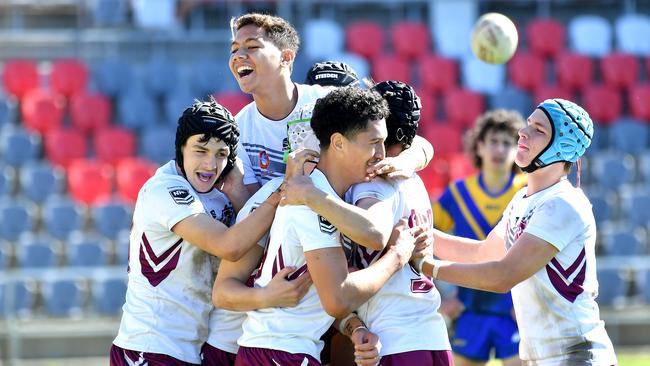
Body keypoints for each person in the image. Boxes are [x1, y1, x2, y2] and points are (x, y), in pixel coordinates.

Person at [415, 99, 618, 365]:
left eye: (539, 130)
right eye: (528, 124)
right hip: (544, 358)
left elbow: (501, 276)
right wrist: (417, 235)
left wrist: (425, 265)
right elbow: (481, 253)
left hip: (576, 356)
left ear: (562, 148)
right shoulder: (523, 198)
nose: (524, 132)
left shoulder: (562, 203)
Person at [233, 87, 417, 366]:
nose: (381, 154)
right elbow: (338, 299)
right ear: (338, 143)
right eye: (373, 143)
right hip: (279, 354)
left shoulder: (325, 195)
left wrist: (354, 327)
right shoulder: (312, 198)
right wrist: (398, 257)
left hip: (281, 350)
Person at [110, 98, 282, 365]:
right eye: (200, 151)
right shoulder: (164, 190)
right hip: (149, 346)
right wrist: (279, 192)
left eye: (221, 154)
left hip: (191, 348)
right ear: (180, 149)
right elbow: (230, 246)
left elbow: (261, 240)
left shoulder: (219, 193)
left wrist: (237, 189)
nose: (210, 164)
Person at [229, 13, 433, 195]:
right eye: (234, 49)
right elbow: (253, 209)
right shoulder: (238, 129)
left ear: (286, 57)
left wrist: (405, 162)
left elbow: (418, 143)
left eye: (252, 46)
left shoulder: (329, 101)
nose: (238, 56)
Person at [342, 80, 452, 365]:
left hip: (393, 340)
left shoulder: (371, 186)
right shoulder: (413, 179)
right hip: (433, 335)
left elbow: (373, 235)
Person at [432, 109, 526, 366]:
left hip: (515, 309)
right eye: (493, 142)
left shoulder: (528, 192)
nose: (499, 149)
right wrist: (439, 296)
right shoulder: (458, 193)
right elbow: (421, 241)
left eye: (507, 143)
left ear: (519, 149)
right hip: (468, 309)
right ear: (479, 147)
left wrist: (533, 301)